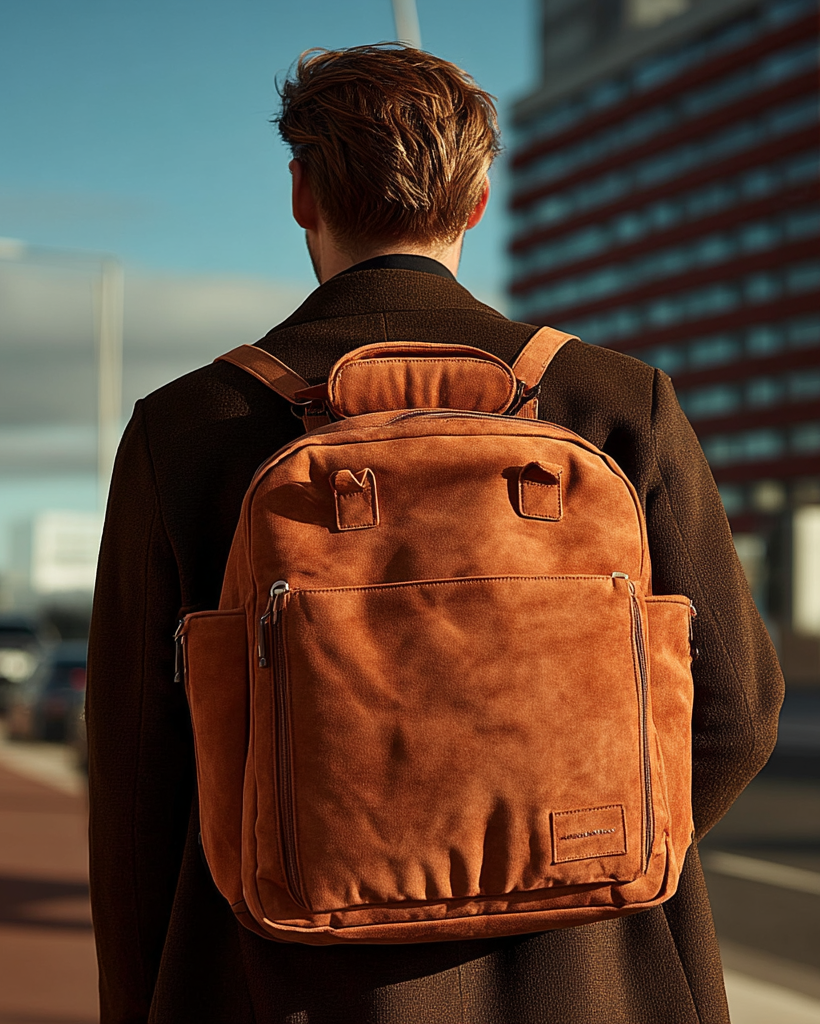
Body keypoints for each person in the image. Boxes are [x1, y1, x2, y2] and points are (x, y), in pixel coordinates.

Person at [87, 44, 783, 1024]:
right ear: (479, 199)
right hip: (589, 982)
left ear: (301, 191)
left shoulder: (186, 426)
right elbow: (737, 714)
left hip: (272, 984)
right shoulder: (616, 402)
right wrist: (554, 856)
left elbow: (136, 780)